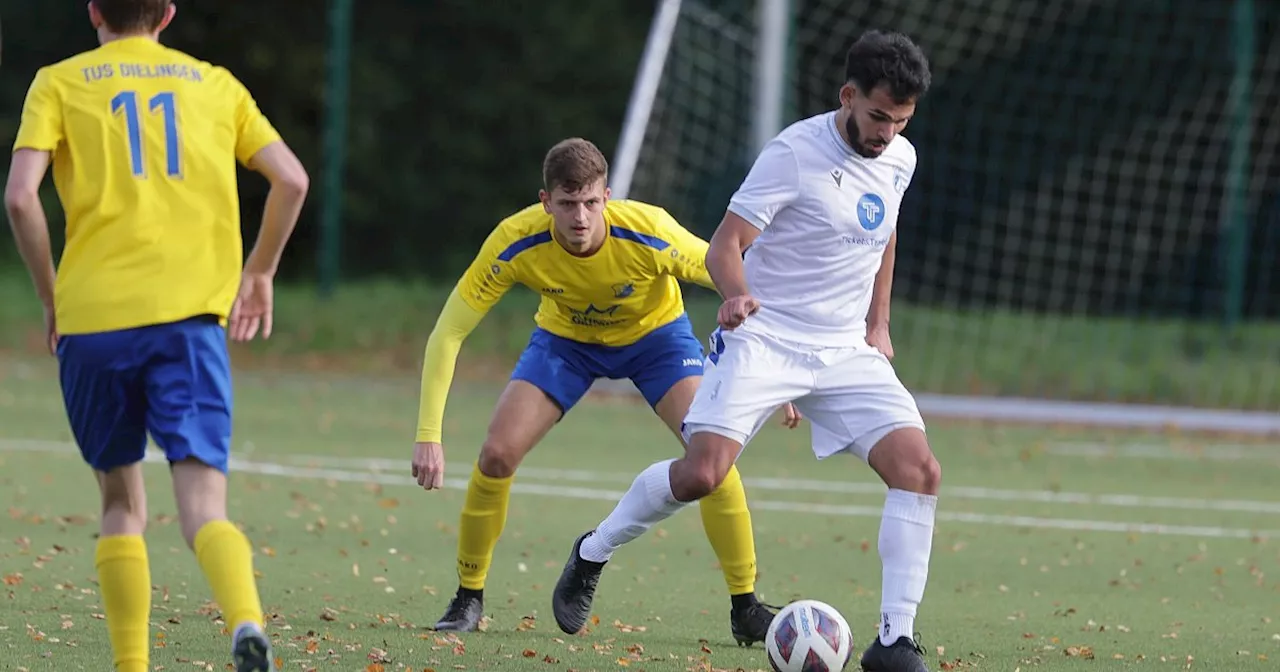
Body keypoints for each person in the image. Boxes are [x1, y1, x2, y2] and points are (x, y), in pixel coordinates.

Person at [551, 31, 938, 672]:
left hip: (844, 348)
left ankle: (895, 641)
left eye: (901, 121)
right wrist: (734, 297)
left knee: (919, 471)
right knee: (704, 474)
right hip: (766, 337)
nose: (887, 133)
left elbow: (884, 229)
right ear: (848, 97)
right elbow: (723, 245)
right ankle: (594, 549)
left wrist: (879, 322)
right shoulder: (793, 153)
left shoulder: (900, 157)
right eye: (877, 117)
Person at [4, 2, 309, 671]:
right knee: (203, 504)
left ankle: (132, 665)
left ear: (93, 12)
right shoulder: (215, 84)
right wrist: (258, 271)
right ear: (167, 14)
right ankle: (246, 623)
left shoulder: (58, 81)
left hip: (93, 324)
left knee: (120, 501)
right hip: (187, 321)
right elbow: (292, 178)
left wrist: (53, 295)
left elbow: (21, 198)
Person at [411, 137, 798, 644]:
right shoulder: (515, 240)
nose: (580, 217)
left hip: (656, 340)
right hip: (566, 343)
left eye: (591, 203)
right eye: (567, 204)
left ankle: (745, 605)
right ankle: (468, 598)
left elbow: (735, 285)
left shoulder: (649, 231)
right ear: (545, 201)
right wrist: (428, 434)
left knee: (712, 460)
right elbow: (449, 331)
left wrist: (774, 371)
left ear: (607, 197)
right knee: (496, 455)